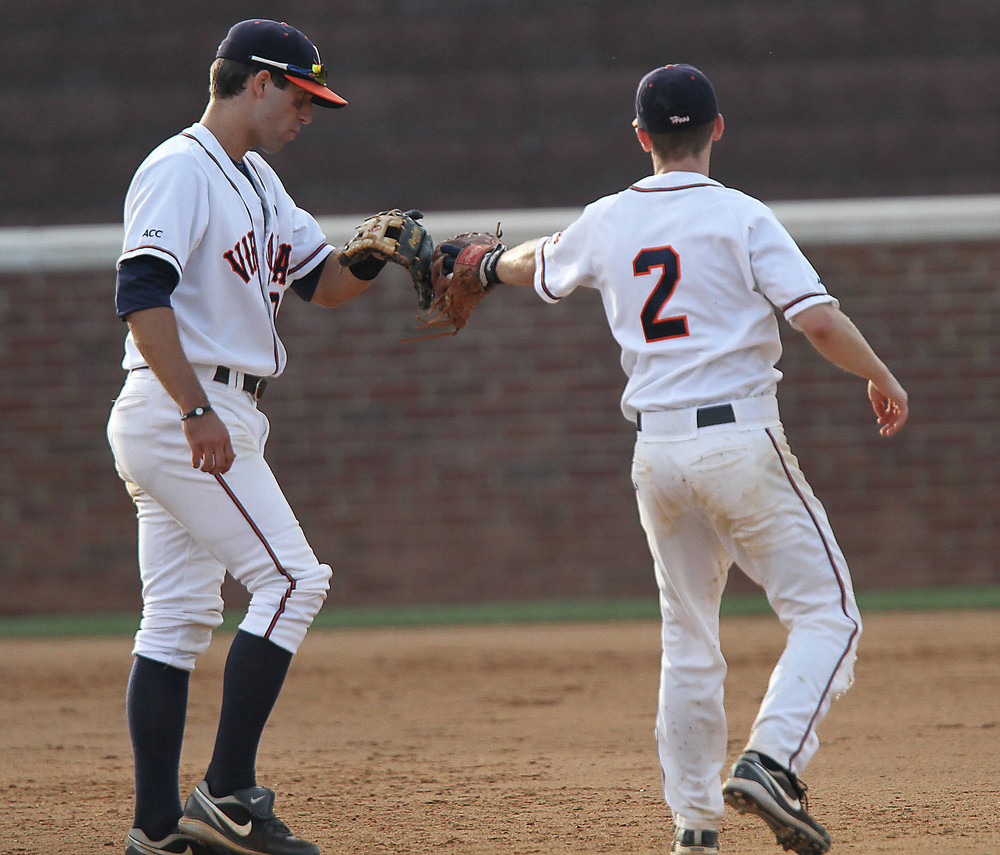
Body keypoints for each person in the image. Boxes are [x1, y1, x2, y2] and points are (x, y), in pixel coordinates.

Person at [438, 65, 908, 855]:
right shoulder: (742, 215)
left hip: (656, 450)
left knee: (688, 637)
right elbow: (819, 322)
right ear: (718, 128)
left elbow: (535, 261)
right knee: (828, 614)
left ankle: (694, 825)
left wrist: (483, 266)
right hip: (740, 440)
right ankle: (772, 759)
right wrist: (882, 374)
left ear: (641, 136)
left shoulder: (608, 218)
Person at [107, 20, 425, 855]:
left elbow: (325, 284)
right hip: (185, 406)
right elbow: (141, 297)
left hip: (210, 407)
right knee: (292, 579)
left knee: (176, 619)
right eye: (302, 97)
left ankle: (155, 829)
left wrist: (379, 254)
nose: (308, 114)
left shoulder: (258, 180)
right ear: (257, 83)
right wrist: (194, 410)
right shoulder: (179, 168)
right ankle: (228, 792)